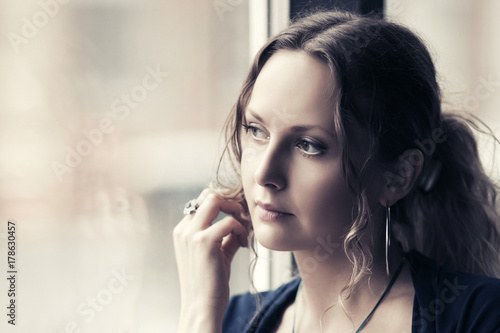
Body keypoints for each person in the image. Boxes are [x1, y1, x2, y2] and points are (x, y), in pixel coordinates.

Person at [173, 10, 500, 333]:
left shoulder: (479, 316)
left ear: (398, 175)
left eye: (308, 145)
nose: (264, 173)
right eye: (257, 130)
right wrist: (198, 314)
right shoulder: (230, 319)